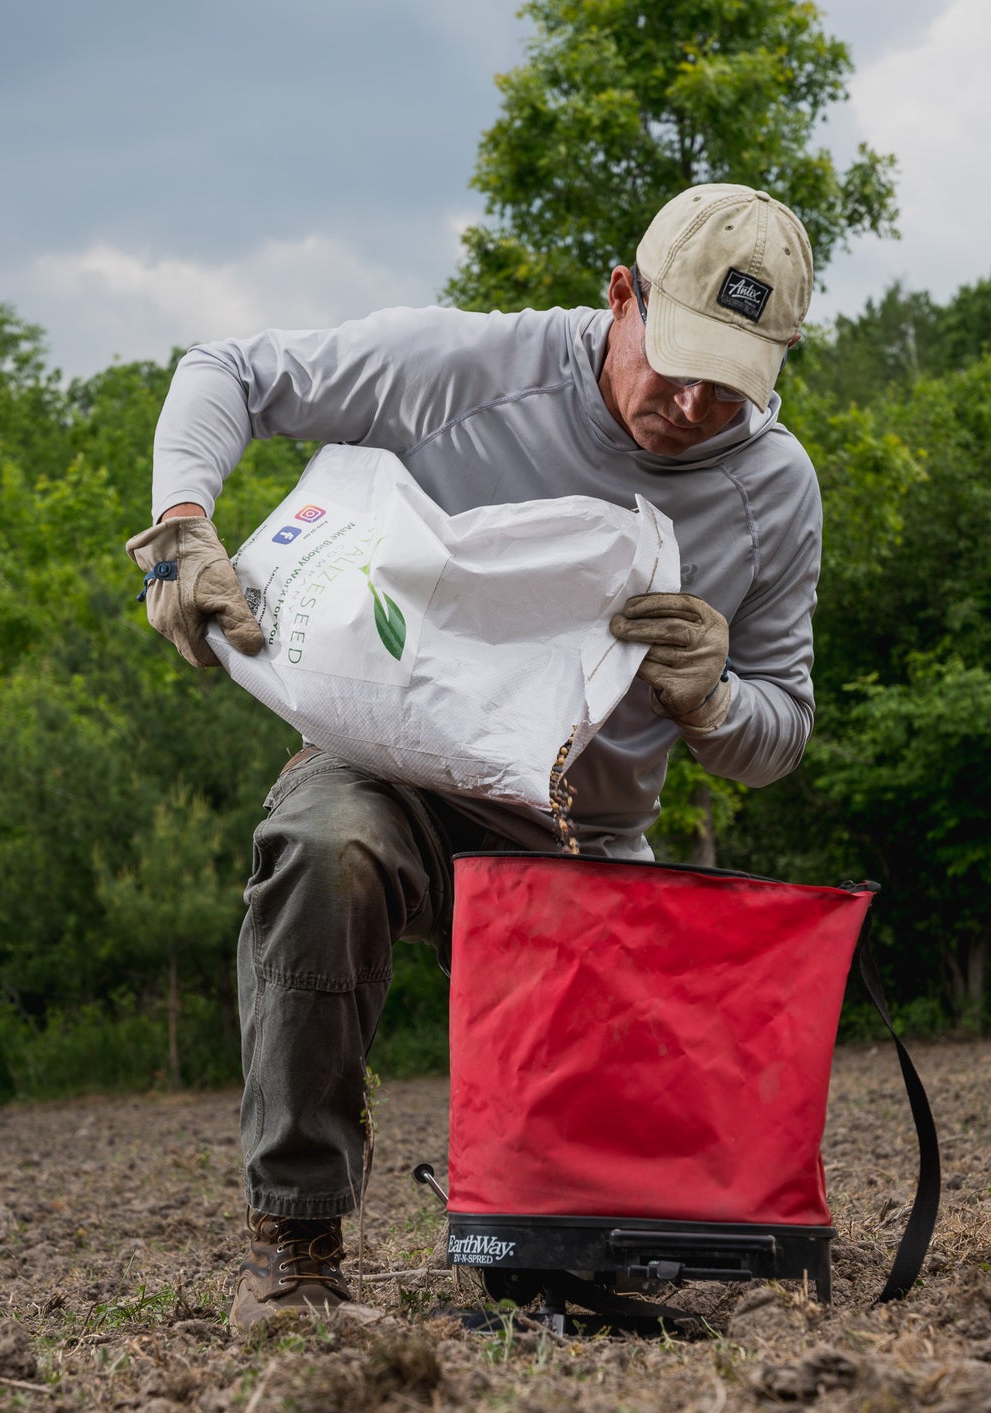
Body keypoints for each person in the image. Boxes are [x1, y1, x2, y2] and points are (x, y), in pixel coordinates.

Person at [127, 183, 821, 1330]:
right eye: (676, 358)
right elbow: (229, 369)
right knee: (320, 844)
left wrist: (710, 698)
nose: (691, 402)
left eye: (729, 381)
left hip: (579, 830)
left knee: (575, 1259)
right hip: (392, 769)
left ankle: (547, 1236)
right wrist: (181, 530)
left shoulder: (773, 492)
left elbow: (777, 734)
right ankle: (296, 1248)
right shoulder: (470, 370)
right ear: (619, 297)